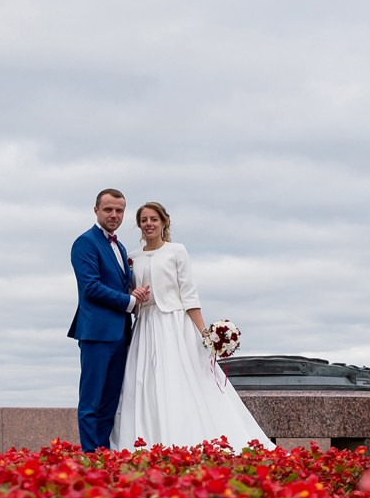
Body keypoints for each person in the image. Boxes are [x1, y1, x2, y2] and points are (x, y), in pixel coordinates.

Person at [111, 201, 269, 450]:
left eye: (154, 219)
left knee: (179, 379)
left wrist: (204, 334)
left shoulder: (177, 251)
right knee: (144, 384)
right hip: (146, 325)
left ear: (164, 222)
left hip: (174, 325)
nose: (149, 224)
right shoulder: (132, 256)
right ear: (139, 225)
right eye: (144, 220)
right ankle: (148, 440)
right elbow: (128, 290)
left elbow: (189, 294)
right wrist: (135, 292)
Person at [69, 189, 148, 451]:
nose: (114, 215)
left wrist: (134, 294)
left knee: (110, 401)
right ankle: (91, 457)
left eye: (119, 210)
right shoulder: (85, 243)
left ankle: (104, 455)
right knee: (91, 401)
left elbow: (119, 284)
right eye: (108, 209)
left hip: (121, 334)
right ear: (96, 211)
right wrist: (130, 301)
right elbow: (90, 287)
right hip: (96, 333)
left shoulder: (120, 246)